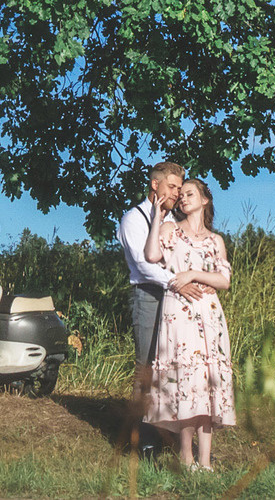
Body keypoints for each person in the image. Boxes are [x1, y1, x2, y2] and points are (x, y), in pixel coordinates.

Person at [141, 176, 236, 471]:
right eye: (180, 195)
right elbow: (152, 255)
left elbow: (224, 281)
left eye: (189, 194)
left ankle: (205, 463)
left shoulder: (215, 240)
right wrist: (158, 216)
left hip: (209, 316)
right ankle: (186, 457)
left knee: (208, 383)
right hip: (179, 314)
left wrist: (193, 273)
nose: (182, 198)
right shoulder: (171, 229)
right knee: (185, 382)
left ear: (205, 200)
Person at [116, 160, 184, 451]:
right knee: (146, 368)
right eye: (172, 187)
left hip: (175, 297)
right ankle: (138, 439)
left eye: (180, 189)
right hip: (149, 296)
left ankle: (167, 434)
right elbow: (144, 267)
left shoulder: (176, 219)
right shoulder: (133, 218)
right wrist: (179, 282)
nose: (177, 193)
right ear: (155, 185)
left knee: (173, 367)